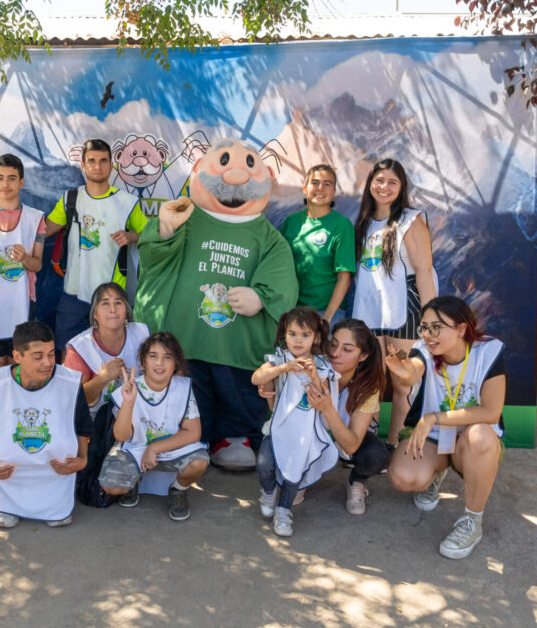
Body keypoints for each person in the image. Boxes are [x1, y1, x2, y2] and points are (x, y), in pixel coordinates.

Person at [135, 138, 298, 471]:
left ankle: (234, 436)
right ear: (197, 171)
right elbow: (152, 257)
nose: (235, 180)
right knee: (188, 389)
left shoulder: (267, 236)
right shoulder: (187, 217)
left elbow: (282, 278)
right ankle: (186, 438)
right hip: (186, 336)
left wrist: (261, 296)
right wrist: (166, 229)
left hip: (234, 341)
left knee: (233, 388)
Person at [386, 296, 506, 559]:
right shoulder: (424, 350)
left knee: (482, 436)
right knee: (404, 477)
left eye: (437, 327)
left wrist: (433, 418)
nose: (429, 334)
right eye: (425, 327)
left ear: (461, 329)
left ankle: (472, 520)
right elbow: (414, 369)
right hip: (435, 439)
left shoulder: (488, 352)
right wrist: (403, 372)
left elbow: (490, 412)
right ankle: (435, 472)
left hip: (469, 440)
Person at [352, 159, 436, 452]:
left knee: (402, 383)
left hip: (405, 310)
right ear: (370, 184)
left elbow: (424, 271)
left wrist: (431, 319)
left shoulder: (412, 221)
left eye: (392, 182)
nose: (384, 187)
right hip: (368, 313)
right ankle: (369, 447)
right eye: (379, 180)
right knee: (370, 382)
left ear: (401, 188)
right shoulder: (362, 221)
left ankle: (396, 446)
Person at [0, 321, 93, 528]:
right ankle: (8, 506)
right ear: (18, 356)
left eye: (51, 354)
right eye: (38, 357)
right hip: (9, 475)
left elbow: (82, 427)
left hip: (55, 473)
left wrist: (82, 459)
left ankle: (52, 504)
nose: (47, 362)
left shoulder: (71, 382)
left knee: (58, 514)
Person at [45, 139, 149, 348]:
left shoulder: (127, 202)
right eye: (91, 161)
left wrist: (132, 237)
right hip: (74, 293)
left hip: (112, 297)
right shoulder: (71, 198)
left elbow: (151, 235)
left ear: (111, 165)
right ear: (82, 164)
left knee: (112, 355)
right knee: (69, 354)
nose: (97, 166)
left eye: (103, 161)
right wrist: (4, 212)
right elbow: (44, 230)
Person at [99, 332, 210, 521]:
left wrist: (154, 447)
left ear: (176, 364)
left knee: (199, 462)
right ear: (143, 363)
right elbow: (121, 435)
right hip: (135, 446)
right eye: (153, 356)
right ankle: (133, 482)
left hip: (170, 447)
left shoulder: (182, 388)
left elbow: (193, 432)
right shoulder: (129, 387)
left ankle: (178, 491)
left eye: (167, 357)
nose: (160, 363)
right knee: (111, 486)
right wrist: (128, 403)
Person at [252, 307, 336, 536]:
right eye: (292, 334)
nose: (297, 340)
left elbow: (323, 397)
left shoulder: (321, 365)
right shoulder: (278, 358)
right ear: (284, 335)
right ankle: (268, 493)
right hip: (277, 428)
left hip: (304, 432)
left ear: (316, 337)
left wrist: (314, 378)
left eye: (305, 335)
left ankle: (283, 511)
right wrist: (283, 367)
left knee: (294, 474)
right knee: (263, 464)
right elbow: (256, 377)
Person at [300, 319, 389, 519]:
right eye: (333, 344)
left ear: (363, 356)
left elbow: (352, 446)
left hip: (344, 441)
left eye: (347, 349)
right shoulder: (313, 365)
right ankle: (299, 475)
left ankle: (357, 482)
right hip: (310, 437)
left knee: (375, 454)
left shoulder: (368, 387)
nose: (335, 353)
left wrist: (327, 408)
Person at [0, 154, 46, 370]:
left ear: (21, 182)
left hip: (22, 301)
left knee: (19, 362)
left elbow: (38, 265)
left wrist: (24, 258)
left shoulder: (35, 218)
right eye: (1, 178)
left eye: (12, 178)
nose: (6, 184)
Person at [278, 164, 355, 324]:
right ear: (305, 188)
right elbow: (278, 266)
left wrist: (327, 317)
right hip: (294, 312)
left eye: (327, 184)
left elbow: (344, 278)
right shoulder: (292, 222)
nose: (320, 188)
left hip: (327, 314)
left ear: (334, 192)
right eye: (315, 183)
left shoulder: (342, 225)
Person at [64, 282, 149, 417]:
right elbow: (72, 398)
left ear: (126, 311)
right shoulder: (80, 347)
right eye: (105, 303)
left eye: (118, 303)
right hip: (97, 425)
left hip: (141, 415)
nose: (113, 309)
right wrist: (104, 377)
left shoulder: (143, 334)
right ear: (95, 314)